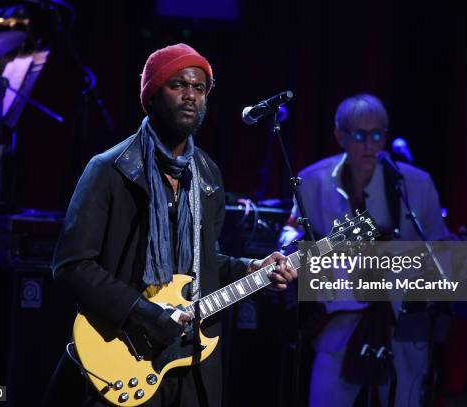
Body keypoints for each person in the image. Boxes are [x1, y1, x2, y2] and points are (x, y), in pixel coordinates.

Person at [45, 43, 297, 407]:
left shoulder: (207, 175)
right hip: (125, 353)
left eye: (199, 88)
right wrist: (144, 315)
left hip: (191, 364)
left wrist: (253, 270)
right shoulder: (110, 169)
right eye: (177, 85)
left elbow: (207, 264)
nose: (191, 96)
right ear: (151, 97)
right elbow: (71, 266)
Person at [279, 94, 448, 407]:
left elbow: (439, 249)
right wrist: (295, 255)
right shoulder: (312, 181)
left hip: (401, 324)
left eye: (377, 134)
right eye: (359, 135)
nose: (370, 144)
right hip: (337, 321)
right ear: (339, 135)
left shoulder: (417, 184)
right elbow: (292, 230)